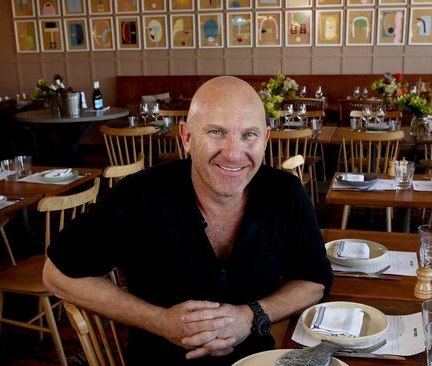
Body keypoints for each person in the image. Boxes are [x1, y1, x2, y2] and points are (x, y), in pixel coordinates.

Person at [43, 76, 333, 365]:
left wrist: (252, 315)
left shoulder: (285, 193)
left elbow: (315, 280)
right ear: (186, 137)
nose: (233, 154)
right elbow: (55, 274)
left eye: (249, 135)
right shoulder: (138, 196)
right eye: (216, 132)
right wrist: (159, 320)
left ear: (266, 139)